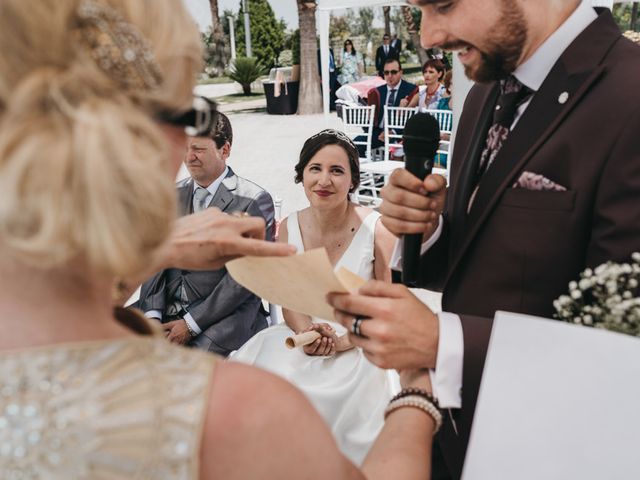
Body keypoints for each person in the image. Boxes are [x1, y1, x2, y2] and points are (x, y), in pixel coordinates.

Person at [0, 0, 441, 478]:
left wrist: (155, 251)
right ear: (151, 137)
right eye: (190, 114)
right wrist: (417, 391)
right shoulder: (240, 413)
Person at [327, 1, 640, 479]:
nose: (428, 37)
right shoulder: (482, 94)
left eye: (444, 5)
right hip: (452, 436)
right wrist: (429, 232)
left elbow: (626, 355)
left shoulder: (630, 95)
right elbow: (486, 254)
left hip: (551, 452)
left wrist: (441, 344)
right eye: (419, 14)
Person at [231, 129, 397, 465]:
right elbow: (287, 298)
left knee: (363, 409)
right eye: (315, 168)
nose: (324, 180)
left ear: (352, 180)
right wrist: (305, 334)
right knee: (267, 391)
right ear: (302, 174)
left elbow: (390, 305)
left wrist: (343, 341)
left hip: (361, 345)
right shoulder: (289, 226)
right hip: (301, 335)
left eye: (337, 171)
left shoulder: (378, 228)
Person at [138, 113, 274, 356]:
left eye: (198, 149)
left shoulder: (254, 200)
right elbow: (155, 258)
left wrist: (190, 324)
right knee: (108, 342)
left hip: (225, 316)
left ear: (225, 150)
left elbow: (244, 279)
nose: (189, 157)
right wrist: (152, 316)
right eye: (186, 148)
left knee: (187, 366)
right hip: (164, 309)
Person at [357, 58, 417, 157]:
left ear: (401, 72)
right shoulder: (378, 91)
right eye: (386, 72)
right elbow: (371, 119)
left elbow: (411, 120)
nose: (389, 76)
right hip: (378, 133)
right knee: (352, 146)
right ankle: (367, 169)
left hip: (399, 134)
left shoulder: (411, 90)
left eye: (393, 72)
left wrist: (392, 132)